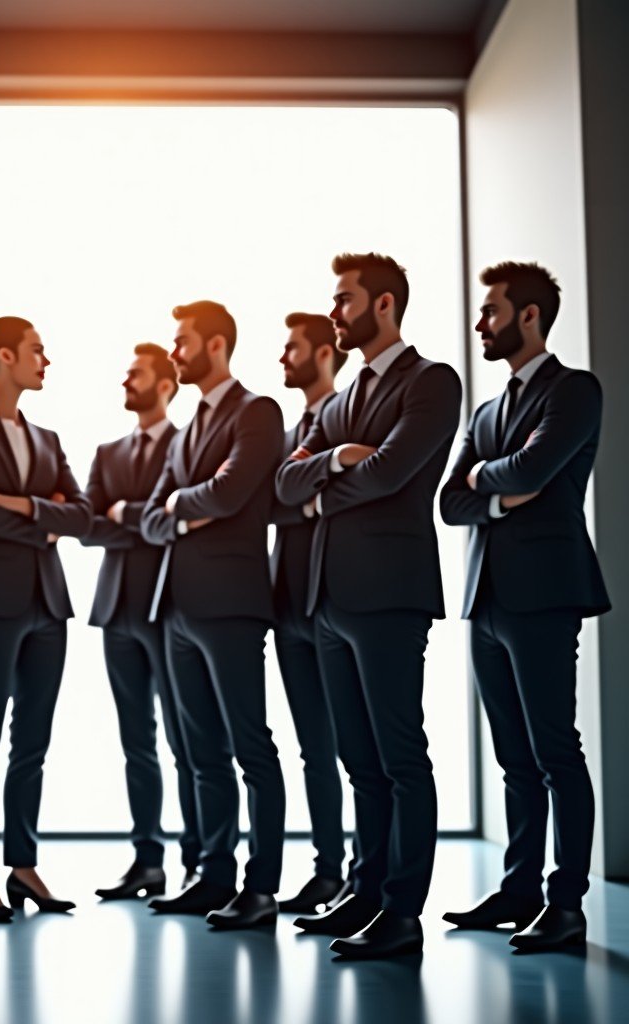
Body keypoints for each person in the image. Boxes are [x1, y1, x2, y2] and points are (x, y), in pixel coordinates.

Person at [276, 253, 461, 960]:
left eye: (345, 299)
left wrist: (329, 479)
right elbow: (287, 487)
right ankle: (365, 887)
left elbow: (390, 473)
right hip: (329, 598)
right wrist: (331, 465)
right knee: (358, 758)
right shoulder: (343, 396)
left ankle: (402, 911)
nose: (335, 311)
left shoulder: (432, 383)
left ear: (383, 305)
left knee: (400, 755)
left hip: (389, 594)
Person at [439, 261, 609, 953]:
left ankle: (565, 905)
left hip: (543, 597)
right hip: (486, 600)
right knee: (513, 757)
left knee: (555, 750)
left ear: (529, 316)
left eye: (492, 311)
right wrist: (493, 486)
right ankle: (519, 891)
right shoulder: (485, 412)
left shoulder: (575, 392)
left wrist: (489, 479)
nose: (481, 323)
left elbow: (537, 470)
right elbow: (451, 502)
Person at [0, 315, 92, 921]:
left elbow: (80, 517)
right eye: (37, 350)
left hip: (47, 606)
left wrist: (21, 505)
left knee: (32, 743)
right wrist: (42, 517)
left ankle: (22, 865)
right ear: (6, 356)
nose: (45, 361)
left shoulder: (49, 438)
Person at [142, 300, 286, 931]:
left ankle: (262, 887)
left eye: (183, 342)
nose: (175, 353)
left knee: (250, 746)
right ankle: (214, 876)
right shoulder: (186, 428)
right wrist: (184, 506)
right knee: (199, 751)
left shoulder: (258, 412)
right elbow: (151, 519)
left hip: (231, 605)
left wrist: (181, 503)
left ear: (217, 345)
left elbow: (232, 491)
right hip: (174, 607)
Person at [82, 343, 200, 900]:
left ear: (166, 384)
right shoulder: (108, 451)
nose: (126, 381)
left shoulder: (188, 446)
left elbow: (174, 520)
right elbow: (87, 524)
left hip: (170, 605)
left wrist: (125, 513)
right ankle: (147, 861)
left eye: (136, 374)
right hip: (116, 610)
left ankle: (199, 860)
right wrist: (147, 519)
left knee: (187, 739)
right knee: (137, 743)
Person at [271, 312, 354, 915]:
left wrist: (307, 493)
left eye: (293, 348)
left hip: (333, 597)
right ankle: (329, 869)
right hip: (286, 602)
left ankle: (362, 873)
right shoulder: (290, 427)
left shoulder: (349, 412)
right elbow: (273, 497)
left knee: (357, 748)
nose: (282, 359)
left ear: (324, 353)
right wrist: (309, 497)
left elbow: (353, 491)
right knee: (312, 747)